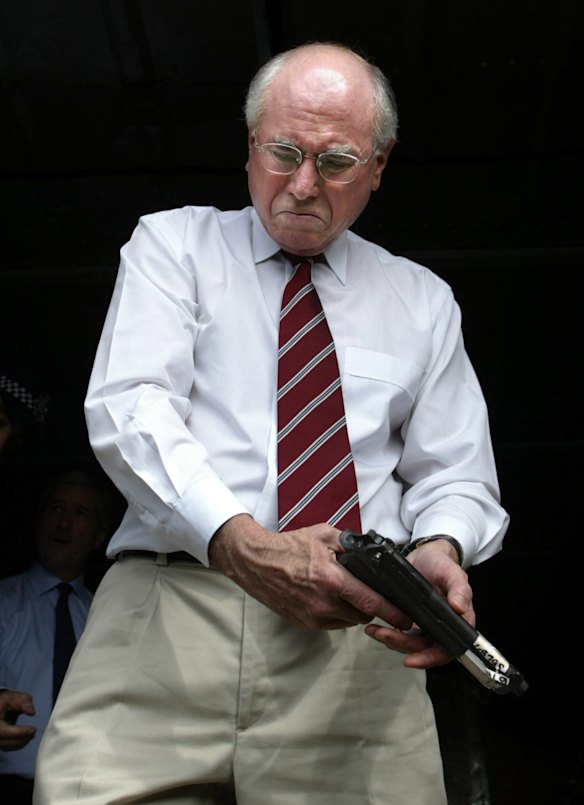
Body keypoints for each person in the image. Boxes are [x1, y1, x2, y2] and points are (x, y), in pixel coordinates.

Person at [34, 42, 509, 804]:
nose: (302, 185)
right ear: (250, 142)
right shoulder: (173, 245)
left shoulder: (422, 300)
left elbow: (456, 473)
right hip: (166, 615)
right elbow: (132, 407)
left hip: (354, 643)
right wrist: (241, 542)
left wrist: (442, 546)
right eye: (282, 151)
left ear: (381, 163)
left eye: (338, 161)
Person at [0, 469, 111, 804]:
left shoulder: (107, 617)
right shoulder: (2, 602)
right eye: (55, 510)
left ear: (99, 537)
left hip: (92, 792)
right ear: (38, 521)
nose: (63, 524)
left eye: (79, 514)